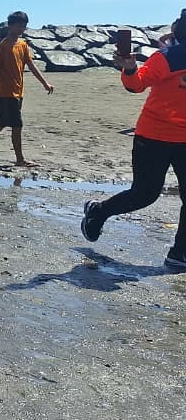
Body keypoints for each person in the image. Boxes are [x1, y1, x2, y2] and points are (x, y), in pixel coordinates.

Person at [82, 17, 186, 271]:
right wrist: (129, 68)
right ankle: (98, 211)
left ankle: (179, 253)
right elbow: (136, 84)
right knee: (145, 194)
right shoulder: (168, 57)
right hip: (154, 136)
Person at [0, 11, 55, 166]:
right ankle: (20, 159)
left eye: (23, 26)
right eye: (18, 26)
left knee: (2, 122)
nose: (21, 29)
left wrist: (44, 83)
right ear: (10, 26)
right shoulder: (3, 46)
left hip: (18, 91)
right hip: (5, 93)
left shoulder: (23, 45)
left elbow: (30, 65)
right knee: (17, 125)